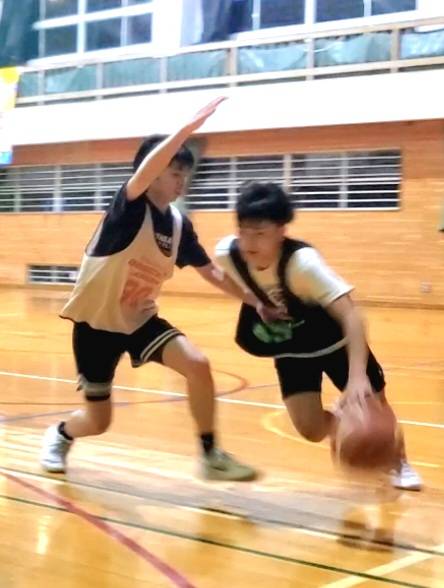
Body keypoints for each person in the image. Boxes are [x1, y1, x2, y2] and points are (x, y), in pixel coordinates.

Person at [40, 97, 258, 482]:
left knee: (198, 365)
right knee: (98, 420)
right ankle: (60, 434)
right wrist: (187, 129)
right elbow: (144, 171)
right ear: (154, 173)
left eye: (185, 174)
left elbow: (211, 271)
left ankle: (210, 456)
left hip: (140, 321)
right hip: (95, 326)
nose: (181, 180)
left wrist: (256, 301)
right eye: (174, 172)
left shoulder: (178, 225)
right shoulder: (128, 207)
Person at [214, 181, 422, 490]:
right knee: (310, 430)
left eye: (260, 233)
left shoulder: (303, 265)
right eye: (243, 232)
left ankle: (398, 460)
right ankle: (349, 430)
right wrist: (256, 302)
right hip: (292, 346)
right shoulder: (228, 254)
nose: (249, 242)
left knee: (373, 402)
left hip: (336, 341)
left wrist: (357, 378)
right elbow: (220, 277)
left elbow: (351, 314)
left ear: (281, 231)